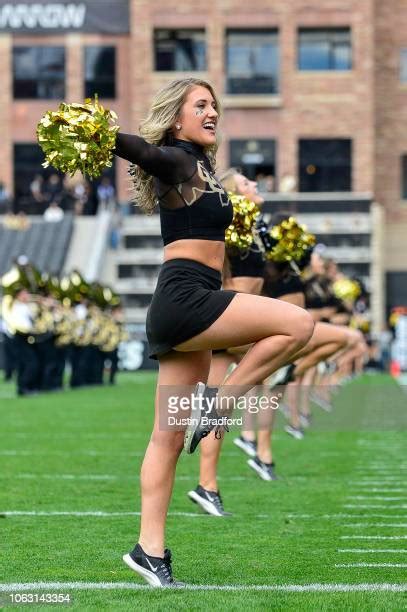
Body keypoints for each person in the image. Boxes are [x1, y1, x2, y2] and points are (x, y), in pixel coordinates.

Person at [63, 78, 314, 587]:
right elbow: (136, 149)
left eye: (215, 105)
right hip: (185, 299)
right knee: (298, 324)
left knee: (169, 435)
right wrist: (98, 133)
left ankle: (149, 550)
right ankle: (221, 404)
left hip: (183, 304)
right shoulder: (176, 160)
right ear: (176, 118)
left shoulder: (204, 170)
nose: (212, 111)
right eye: (200, 104)